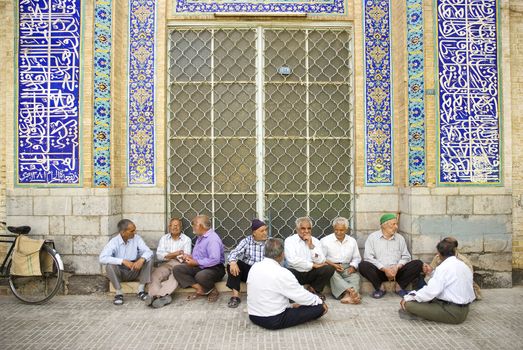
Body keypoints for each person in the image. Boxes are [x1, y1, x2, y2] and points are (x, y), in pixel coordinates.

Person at [247, 238, 328, 330]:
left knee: (296, 302)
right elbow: (300, 295)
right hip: (273, 319)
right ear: (282, 254)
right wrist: (319, 301)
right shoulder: (282, 272)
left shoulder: (255, 267)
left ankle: (290, 307)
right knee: (319, 308)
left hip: (253, 316)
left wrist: (291, 305)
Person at [399, 238, 475, 324]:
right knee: (420, 296)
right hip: (464, 309)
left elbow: (431, 291)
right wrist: (432, 273)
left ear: (439, 254)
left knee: (408, 304)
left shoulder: (444, 268)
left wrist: (409, 297)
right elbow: (449, 280)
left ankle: (421, 315)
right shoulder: (463, 265)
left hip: (452, 312)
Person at [358, 213, 423, 299]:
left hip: (397, 272)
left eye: (396, 224)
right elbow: (368, 257)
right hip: (380, 271)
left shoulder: (400, 238)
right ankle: (380, 288)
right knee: (363, 265)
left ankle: (399, 287)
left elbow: (406, 256)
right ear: (384, 226)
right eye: (393, 224)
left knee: (418, 264)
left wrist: (397, 267)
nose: (396, 227)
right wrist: (384, 269)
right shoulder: (372, 238)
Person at [99, 219, 153, 305]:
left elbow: (149, 252)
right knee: (109, 266)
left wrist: (141, 260)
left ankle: (141, 290)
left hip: (134, 269)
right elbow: (102, 258)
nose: (135, 232)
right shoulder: (114, 241)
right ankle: (119, 293)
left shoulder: (137, 238)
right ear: (123, 232)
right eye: (132, 231)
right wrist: (122, 261)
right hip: (120, 272)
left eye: (135, 230)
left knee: (149, 260)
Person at [172, 215, 225, 302]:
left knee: (200, 276)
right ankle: (201, 289)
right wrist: (189, 257)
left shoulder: (212, 239)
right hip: (201, 266)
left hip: (215, 268)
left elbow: (215, 260)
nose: (193, 228)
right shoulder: (200, 237)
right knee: (177, 269)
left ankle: (213, 290)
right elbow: (199, 256)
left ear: (200, 226)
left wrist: (196, 262)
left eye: (194, 225)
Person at [144, 218, 192, 308]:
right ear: (169, 227)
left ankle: (162, 296)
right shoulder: (164, 238)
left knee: (175, 276)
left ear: (181, 227)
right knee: (155, 274)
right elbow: (159, 256)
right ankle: (153, 295)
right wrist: (175, 254)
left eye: (177, 225)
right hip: (166, 263)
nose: (175, 227)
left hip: (180, 264)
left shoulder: (186, 240)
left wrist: (168, 255)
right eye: (173, 225)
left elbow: (185, 257)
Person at [284, 217, 335, 300]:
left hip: (310, 273)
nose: (306, 231)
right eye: (303, 228)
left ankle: (314, 290)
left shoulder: (315, 241)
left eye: (309, 228)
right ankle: (293, 294)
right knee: (287, 272)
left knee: (329, 268)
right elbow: (292, 260)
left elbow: (321, 260)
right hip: (296, 272)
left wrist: (311, 246)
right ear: (297, 229)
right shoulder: (290, 241)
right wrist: (313, 265)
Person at [226, 218, 268, 308]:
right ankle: (235, 296)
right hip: (249, 272)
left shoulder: (269, 242)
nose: (265, 233)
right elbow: (234, 252)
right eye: (262, 231)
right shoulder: (246, 241)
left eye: (266, 230)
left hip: (264, 273)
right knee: (232, 264)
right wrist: (233, 262)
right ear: (254, 233)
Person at [320, 217, 362, 304]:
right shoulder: (325, 241)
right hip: (331, 267)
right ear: (333, 228)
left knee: (356, 277)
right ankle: (351, 292)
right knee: (331, 273)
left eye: (341, 230)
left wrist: (353, 267)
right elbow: (320, 258)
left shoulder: (352, 241)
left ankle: (347, 296)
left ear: (346, 229)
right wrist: (333, 266)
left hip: (346, 268)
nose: (338, 232)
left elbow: (356, 258)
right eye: (336, 229)